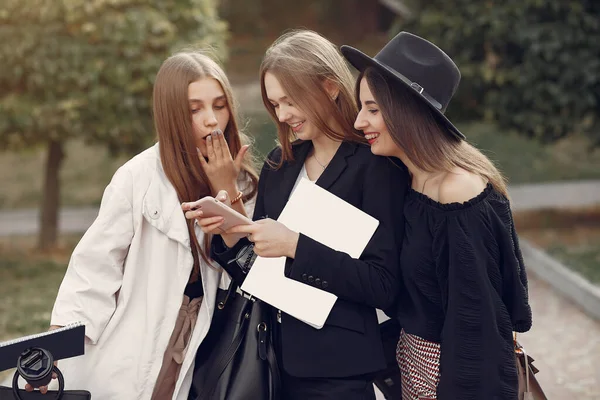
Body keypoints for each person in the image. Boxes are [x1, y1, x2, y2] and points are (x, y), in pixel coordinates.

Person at [187, 30, 409, 399]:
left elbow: (384, 285)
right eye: (275, 104)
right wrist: (230, 228)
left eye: (290, 101)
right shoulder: (280, 164)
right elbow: (260, 275)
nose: (283, 114)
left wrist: (296, 245)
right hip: (268, 361)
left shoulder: (377, 167)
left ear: (330, 87)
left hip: (338, 371)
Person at [42, 51, 258, 399]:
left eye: (219, 106)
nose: (211, 121)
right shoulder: (137, 177)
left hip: (206, 356)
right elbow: (93, 272)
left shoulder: (245, 185)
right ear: (172, 114)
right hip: (131, 352)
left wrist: (227, 188)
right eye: (194, 109)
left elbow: (253, 270)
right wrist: (53, 350)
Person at [341, 32, 533, 399]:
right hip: (413, 372)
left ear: (407, 110)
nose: (358, 122)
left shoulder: (458, 191)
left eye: (372, 109)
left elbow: (476, 326)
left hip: (451, 381)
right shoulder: (408, 179)